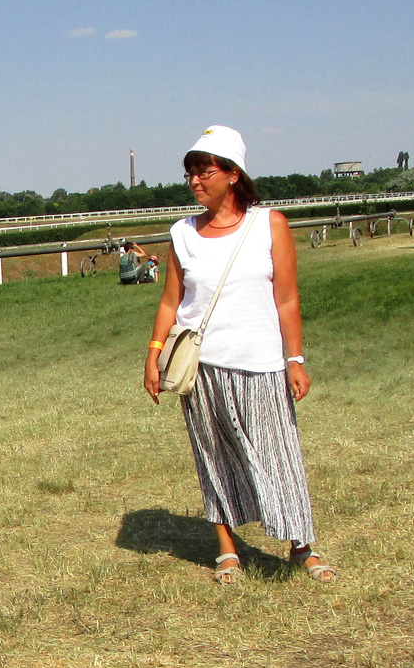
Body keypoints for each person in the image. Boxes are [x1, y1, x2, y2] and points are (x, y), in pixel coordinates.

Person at [143, 125, 333, 583]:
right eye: (190, 172)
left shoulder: (270, 224)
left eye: (204, 171)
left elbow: (287, 299)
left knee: (278, 455)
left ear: (232, 174)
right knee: (213, 455)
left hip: (262, 364)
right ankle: (226, 548)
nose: (194, 181)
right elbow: (171, 301)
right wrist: (153, 354)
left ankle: (300, 546)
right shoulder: (182, 234)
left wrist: (296, 359)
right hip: (201, 369)